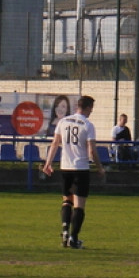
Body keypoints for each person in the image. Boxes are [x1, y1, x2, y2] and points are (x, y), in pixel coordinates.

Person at [42, 95, 105, 249]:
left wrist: (48, 163)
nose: (91, 112)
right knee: (79, 205)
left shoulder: (63, 121)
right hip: (80, 168)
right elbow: (92, 150)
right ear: (88, 108)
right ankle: (74, 238)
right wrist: (99, 167)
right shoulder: (88, 125)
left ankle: (65, 232)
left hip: (65, 167)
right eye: (91, 109)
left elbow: (55, 143)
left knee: (66, 201)